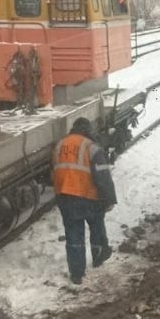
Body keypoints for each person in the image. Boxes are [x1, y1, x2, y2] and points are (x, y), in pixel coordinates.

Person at [51, 117, 117, 285]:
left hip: (64, 196)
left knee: (73, 234)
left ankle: (76, 274)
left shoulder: (60, 145)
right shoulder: (92, 147)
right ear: (87, 130)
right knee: (96, 225)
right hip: (88, 196)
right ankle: (99, 257)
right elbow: (103, 177)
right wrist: (109, 199)